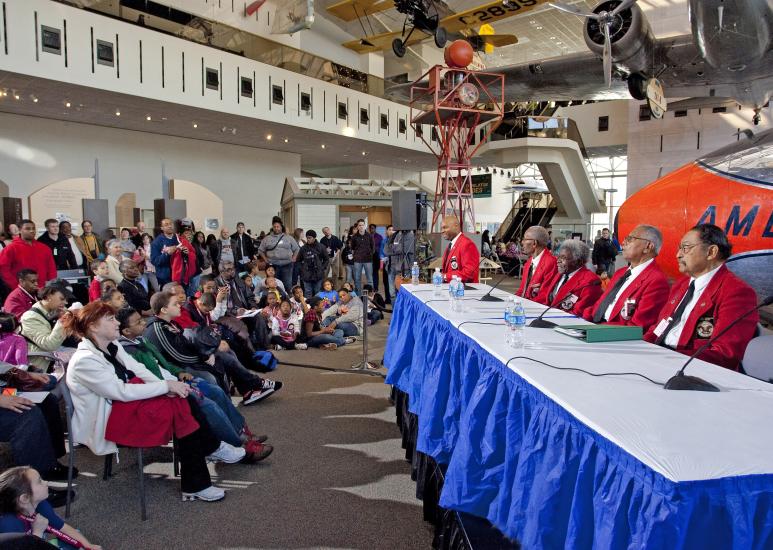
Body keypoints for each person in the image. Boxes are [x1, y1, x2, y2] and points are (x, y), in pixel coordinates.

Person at [63, 301, 246, 503]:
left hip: (123, 405)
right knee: (183, 406)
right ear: (93, 326)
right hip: (108, 420)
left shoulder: (112, 345)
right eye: (111, 319)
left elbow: (139, 370)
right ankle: (206, 462)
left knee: (183, 400)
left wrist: (169, 385)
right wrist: (166, 386)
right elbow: (120, 391)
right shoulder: (84, 361)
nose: (117, 323)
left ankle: (200, 477)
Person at [116, 307, 272, 461]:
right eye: (138, 322)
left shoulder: (142, 340)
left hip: (176, 380)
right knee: (208, 405)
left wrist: (179, 372)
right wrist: (175, 381)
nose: (143, 322)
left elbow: (163, 365)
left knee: (215, 391)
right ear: (126, 331)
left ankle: (241, 432)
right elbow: (148, 379)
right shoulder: (129, 351)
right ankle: (240, 446)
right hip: (164, 391)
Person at [644, 224, 758, 370]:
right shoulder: (682, 284)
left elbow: (725, 353)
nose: (678, 255)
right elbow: (658, 328)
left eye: (685, 248)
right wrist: (641, 348)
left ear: (711, 252)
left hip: (691, 370)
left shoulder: (736, 292)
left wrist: (668, 360)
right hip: (657, 359)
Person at [144, 291, 278, 404]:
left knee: (226, 352)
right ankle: (252, 385)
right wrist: (205, 356)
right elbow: (178, 356)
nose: (180, 305)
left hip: (187, 360)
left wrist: (209, 351)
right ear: (164, 310)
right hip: (178, 368)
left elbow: (188, 343)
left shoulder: (171, 323)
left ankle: (249, 389)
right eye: (175, 304)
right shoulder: (158, 328)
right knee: (217, 364)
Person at [584, 224, 670, 332]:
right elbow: (599, 305)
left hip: (612, 335)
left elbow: (637, 326)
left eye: (630, 239)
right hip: (594, 325)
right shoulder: (620, 273)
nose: (623, 243)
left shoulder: (656, 281)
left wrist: (596, 329)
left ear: (648, 246)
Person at [0, 467, 101, 549]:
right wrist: (37, 533)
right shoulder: (9, 525)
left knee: (77, 537)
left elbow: (62, 527)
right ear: (25, 498)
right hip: (30, 544)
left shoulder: (40, 504)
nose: (46, 482)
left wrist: (88, 546)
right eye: (39, 481)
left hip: (37, 542)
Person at [536, 240, 603, 315]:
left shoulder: (591, 281)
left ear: (578, 262)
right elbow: (549, 299)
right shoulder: (560, 273)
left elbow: (579, 312)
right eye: (558, 257)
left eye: (563, 258)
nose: (558, 261)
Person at [20, 286, 71, 372]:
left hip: (53, 357)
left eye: (66, 299)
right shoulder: (30, 318)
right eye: (62, 299)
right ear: (48, 297)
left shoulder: (54, 310)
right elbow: (49, 344)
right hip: (40, 366)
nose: (65, 302)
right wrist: (63, 320)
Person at [0, 220, 57, 291]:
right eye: (28, 228)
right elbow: (3, 270)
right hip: (21, 291)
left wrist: (49, 287)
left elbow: (51, 269)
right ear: (20, 230)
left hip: (43, 291)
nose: (32, 231)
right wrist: (17, 287)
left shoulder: (45, 248)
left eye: (33, 228)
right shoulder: (10, 248)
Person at [515, 226, 557, 300]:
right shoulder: (529, 262)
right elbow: (522, 290)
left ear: (534, 243)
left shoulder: (551, 263)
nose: (522, 242)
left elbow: (545, 296)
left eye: (525, 239)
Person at [258, 217, 299, 292]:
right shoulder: (267, 238)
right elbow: (260, 250)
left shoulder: (289, 238)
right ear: (272, 227)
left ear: (281, 227)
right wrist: (265, 260)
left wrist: (294, 258)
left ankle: (287, 300)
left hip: (287, 265)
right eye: (275, 227)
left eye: (278, 227)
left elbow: (296, 249)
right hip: (273, 266)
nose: (276, 228)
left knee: (287, 284)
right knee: (273, 284)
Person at [440, 216, 479, 283]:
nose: (442, 231)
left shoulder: (467, 244)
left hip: (464, 291)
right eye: (441, 228)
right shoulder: (451, 245)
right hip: (452, 289)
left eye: (445, 227)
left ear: (456, 226)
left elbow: (469, 273)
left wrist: (445, 276)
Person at [383, 225, 415, 302]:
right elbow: (386, 250)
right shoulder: (394, 235)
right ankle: (394, 312)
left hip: (403, 268)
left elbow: (405, 248)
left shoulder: (410, 235)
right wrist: (397, 247)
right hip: (391, 268)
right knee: (392, 294)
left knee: (402, 293)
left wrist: (393, 248)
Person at [298, 230, 329, 298]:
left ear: (314, 238)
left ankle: (317, 307)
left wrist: (322, 268)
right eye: (307, 237)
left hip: (318, 274)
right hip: (306, 274)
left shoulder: (321, 247)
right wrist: (302, 269)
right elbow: (298, 260)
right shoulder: (303, 248)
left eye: (310, 237)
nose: (308, 239)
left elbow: (326, 259)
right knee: (308, 292)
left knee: (318, 291)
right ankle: (308, 307)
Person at [350, 220, 374, 295]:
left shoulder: (369, 236)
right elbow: (352, 248)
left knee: (369, 279)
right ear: (357, 226)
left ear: (365, 226)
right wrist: (356, 255)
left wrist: (370, 254)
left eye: (362, 225)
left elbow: (373, 247)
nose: (361, 227)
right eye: (359, 225)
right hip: (357, 260)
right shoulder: (354, 237)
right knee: (357, 279)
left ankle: (370, 295)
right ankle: (359, 295)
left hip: (368, 260)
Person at [368, 224, 383, 292]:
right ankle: (370, 287)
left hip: (376, 256)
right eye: (371, 228)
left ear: (375, 229)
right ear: (369, 229)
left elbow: (381, 247)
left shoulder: (379, 237)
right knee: (369, 273)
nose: (372, 230)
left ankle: (376, 287)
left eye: (373, 228)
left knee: (375, 273)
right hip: (369, 256)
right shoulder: (367, 236)